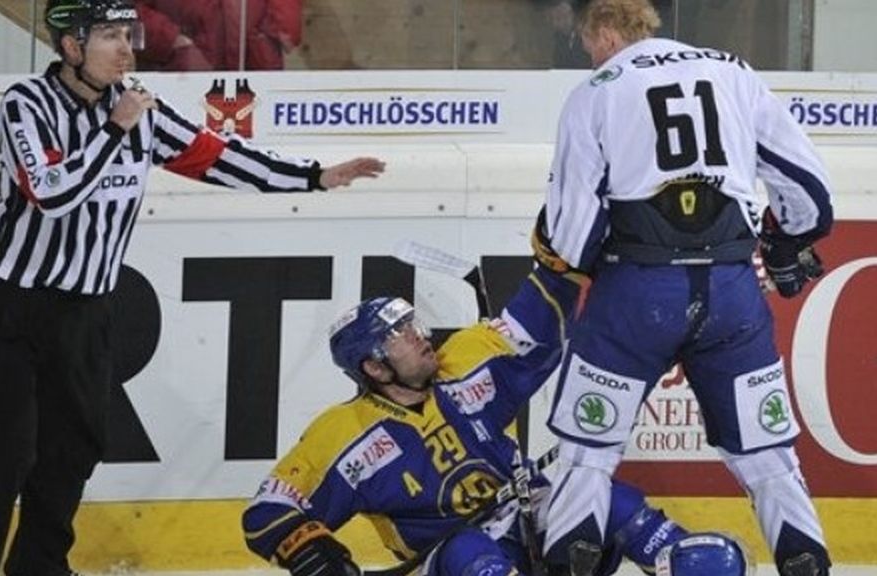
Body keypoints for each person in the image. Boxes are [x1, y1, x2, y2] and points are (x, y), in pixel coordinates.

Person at [0, 1, 383, 575]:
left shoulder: (139, 107)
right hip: (9, 306)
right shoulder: (29, 104)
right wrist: (115, 128)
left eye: (128, 34)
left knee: (71, 452)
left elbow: (215, 157)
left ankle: (38, 568)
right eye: (109, 37)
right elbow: (51, 194)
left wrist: (315, 176)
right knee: (2, 458)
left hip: (86, 310)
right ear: (71, 47)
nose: (127, 49)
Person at [534, 0, 833, 575]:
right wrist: (786, 241)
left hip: (636, 292)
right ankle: (807, 562)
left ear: (603, 29)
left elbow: (571, 238)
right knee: (769, 457)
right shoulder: (736, 72)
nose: (589, 53)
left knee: (586, 456)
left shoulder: (597, 90)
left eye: (588, 40)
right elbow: (811, 193)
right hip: (731, 291)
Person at [242, 261, 752, 576]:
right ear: (374, 367)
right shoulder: (344, 433)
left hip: (527, 517)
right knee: (473, 557)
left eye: (411, 322)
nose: (419, 334)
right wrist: (312, 552)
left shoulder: (464, 360)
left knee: (615, 505)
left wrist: (564, 255)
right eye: (399, 334)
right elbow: (268, 510)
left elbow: (534, 318)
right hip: (451, 558)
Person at [135, 0, 302, 71]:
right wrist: (172, 41)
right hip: (178, 80)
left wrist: (274, 35)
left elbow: (286, 16)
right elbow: (127, 13)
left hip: (255, 76)